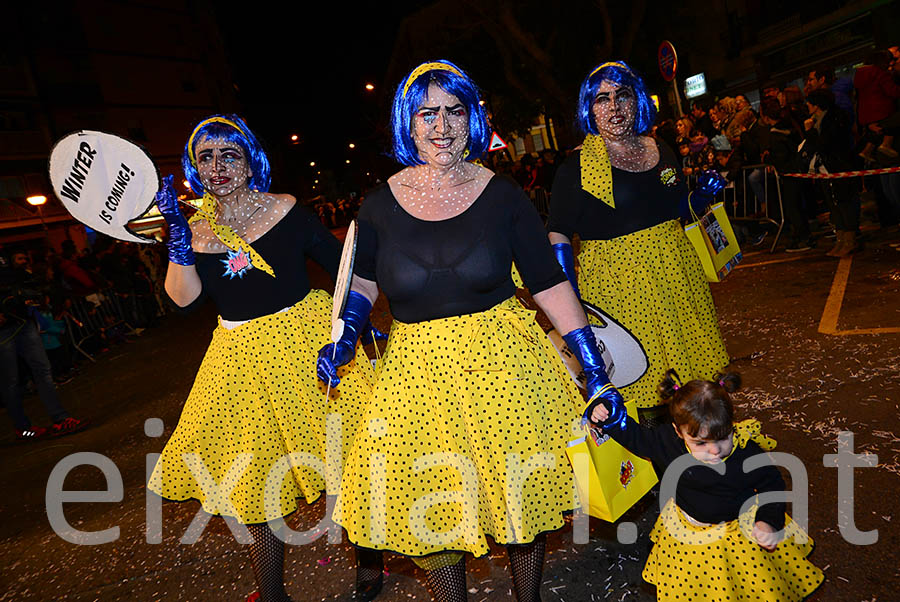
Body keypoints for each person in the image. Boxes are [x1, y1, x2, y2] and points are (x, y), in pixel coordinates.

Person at [317, 60, 624, 602]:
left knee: (519, 505)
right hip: (417, 375)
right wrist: (345, 335)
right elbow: (361, 281)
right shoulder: (378, 205)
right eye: (426, 113)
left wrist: (594, 368)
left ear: (472, 120)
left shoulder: (503, 195)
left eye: (454, 111)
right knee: (435, 507)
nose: (441, 126)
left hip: (505, 365)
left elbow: (549, 283)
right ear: (407, 124)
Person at [146, 115, 378, 602]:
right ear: (194, 167)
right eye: (205, 156)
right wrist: (178, 243)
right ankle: (272, 593)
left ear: (251, 161)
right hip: (239, 360)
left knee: (345, 457)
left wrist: (353, 328)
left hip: (306, 344)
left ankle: (369, 564)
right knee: (254, 480)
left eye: (229, 154)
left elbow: (345, 269)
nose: (218, 166)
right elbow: (184, 299)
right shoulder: (194, 229)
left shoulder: (286, 210)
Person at [548, 60, 729, 420]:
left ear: (638, 100)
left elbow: (673, 209)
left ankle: (701, 447)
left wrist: (701, 197)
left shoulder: (660, 148)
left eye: (622, 95)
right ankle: (655, 459)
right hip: (619, 288)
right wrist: (569, 302)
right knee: (640, 385)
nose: (614, 107)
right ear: (589, 108)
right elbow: (558, 234)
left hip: (678, 275)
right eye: (602, 99)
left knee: (694, 374)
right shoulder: (577, 167)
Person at [589, 371, 824, 601]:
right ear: (678, 432)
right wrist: (609, 415)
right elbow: (635, 437)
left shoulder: (745, 452)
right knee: (699, 586)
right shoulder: (665, 442)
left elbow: (771, 484)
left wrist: (768, 521)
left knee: (741, 584)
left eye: (723, 437)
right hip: (687, 531)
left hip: (737, 536)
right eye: (700, 442)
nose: (714, 450)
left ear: (731, 424)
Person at [0, 245, 86, 439]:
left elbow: (20, 280)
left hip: (22, 319)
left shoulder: (5, 252)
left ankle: (60, 419)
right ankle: (23, 428)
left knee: (43, 370)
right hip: (3, 329)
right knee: (11, 380)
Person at [803, 89, 859, 256]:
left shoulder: (833, 119)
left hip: (838, 166)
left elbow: (824, 144)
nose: (807, 106)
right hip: (825, 168)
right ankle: (840, 239)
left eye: (810, 103)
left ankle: (850, 240)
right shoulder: (817, 120)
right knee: (833, 203)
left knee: (844, 201)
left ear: (817, 104)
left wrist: (810, 132)